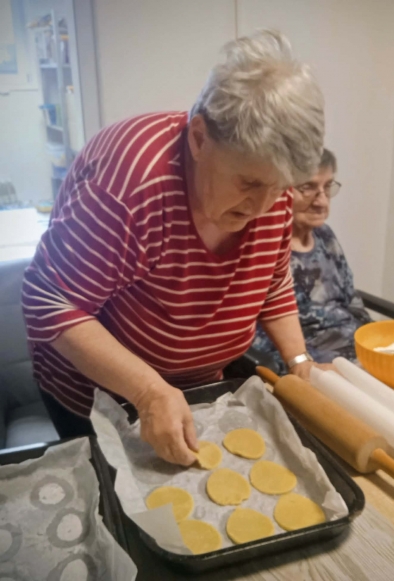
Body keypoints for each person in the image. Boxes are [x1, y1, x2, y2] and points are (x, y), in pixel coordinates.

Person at [22, 31, 326, 467]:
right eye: (249, 183)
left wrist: (299, 361)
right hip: (99, 398)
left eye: (281, 188)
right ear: (199, 138)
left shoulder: (271, 190)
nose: (264, 208)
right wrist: (147, 391)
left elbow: (272, 282)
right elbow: (49, 302)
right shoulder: (129, 186)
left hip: (198, 386)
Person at [252, 149, 371, 373]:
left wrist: (376, 343)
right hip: (310, 365)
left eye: (327, 187)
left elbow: (351, 302)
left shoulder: (325, 236)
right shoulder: (264, 247)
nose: (322, 202)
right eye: (307, 188)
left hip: (358, 354)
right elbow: (259, 342)